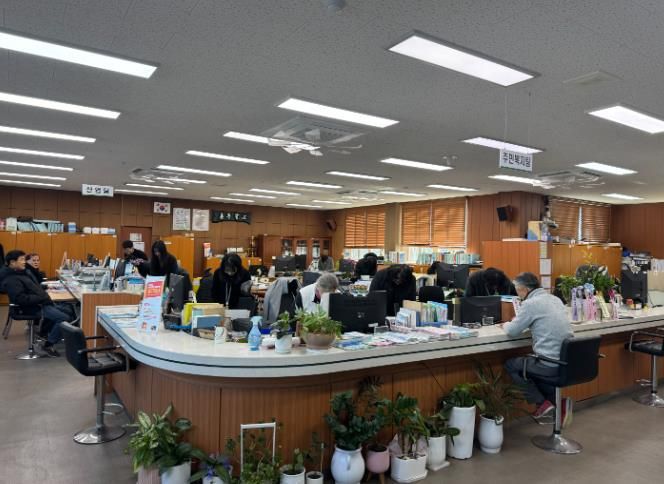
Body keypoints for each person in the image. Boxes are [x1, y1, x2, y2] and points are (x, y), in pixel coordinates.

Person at [502, 272, 574, 426]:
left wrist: (505, 324)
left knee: (512, 365)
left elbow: (512, 331)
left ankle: (542, 404)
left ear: (525, 289)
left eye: (517, 290)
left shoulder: (530, 304)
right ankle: (558, 403)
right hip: (567, 362)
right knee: (532, 368)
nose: (517, 294)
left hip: (549, 363)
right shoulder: (555, 299)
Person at [3, 250, 73, 357]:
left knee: (68, 311)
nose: (24, 262)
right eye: (22, 260)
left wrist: (43, 294)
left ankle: (45, 334)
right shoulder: (12, 279)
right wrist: (41, 297)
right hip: (33, 307)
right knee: (63, 318)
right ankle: (48, 345)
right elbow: (21, 299)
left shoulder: (21, 273)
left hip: (40, 303)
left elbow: (33, 289)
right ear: (12, 262)